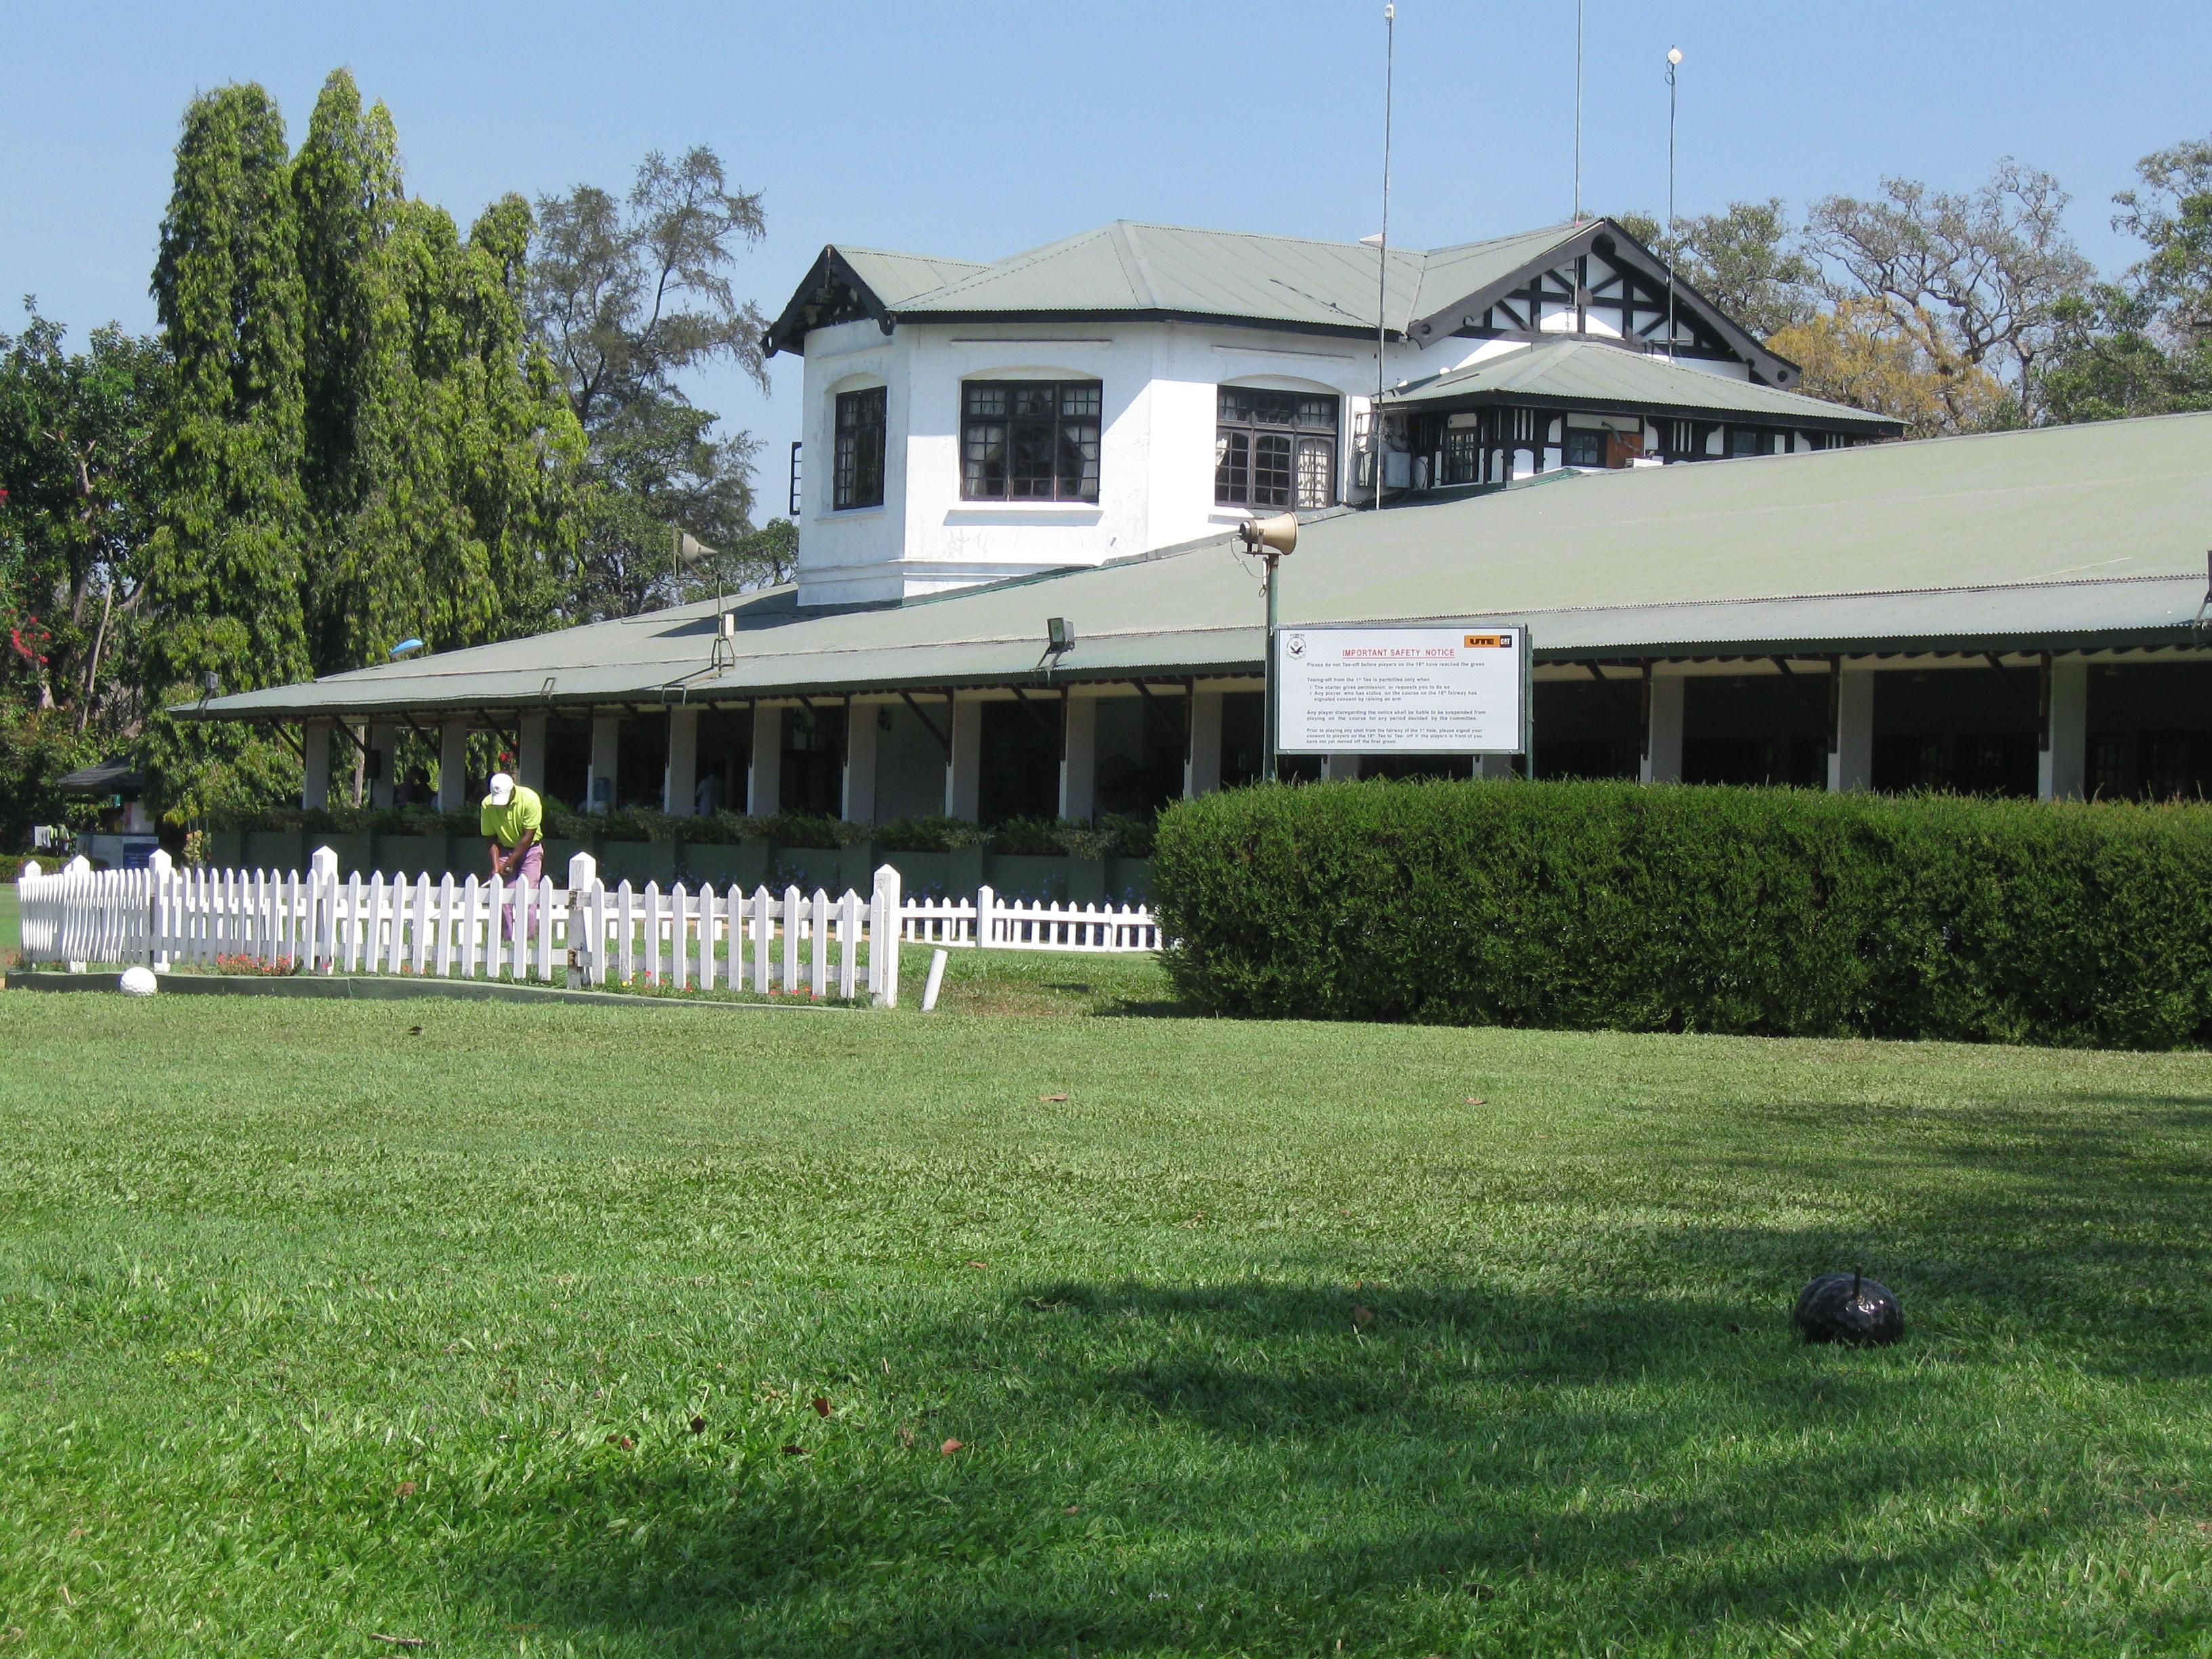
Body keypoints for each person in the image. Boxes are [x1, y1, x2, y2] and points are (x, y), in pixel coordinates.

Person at [480, 771, 544, 941]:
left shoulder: (530, 799)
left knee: (528, 895)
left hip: (530, 850)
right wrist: (496, 866)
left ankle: (527, 940)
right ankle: (506, 940)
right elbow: (490, 837)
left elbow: (528, 836)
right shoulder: (487, 804)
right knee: (503, 896)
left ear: (513, 790)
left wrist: (510, 862)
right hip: (504, 849)